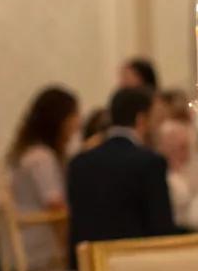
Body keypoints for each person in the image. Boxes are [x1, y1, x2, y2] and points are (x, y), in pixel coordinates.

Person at [67, 86, 176, 259]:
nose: (159, 127)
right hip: (134, 266)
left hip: (88, 267)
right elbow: (162, 230)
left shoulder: (79, 162)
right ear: (142, 120)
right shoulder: (150, 162)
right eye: (156, 119)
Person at [8, 85, 80, 271]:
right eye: (74, 116)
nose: (77, 123)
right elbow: (55, 206)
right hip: (39, 252)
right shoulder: (41, 158)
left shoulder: (27, 153)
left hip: (26, 247)